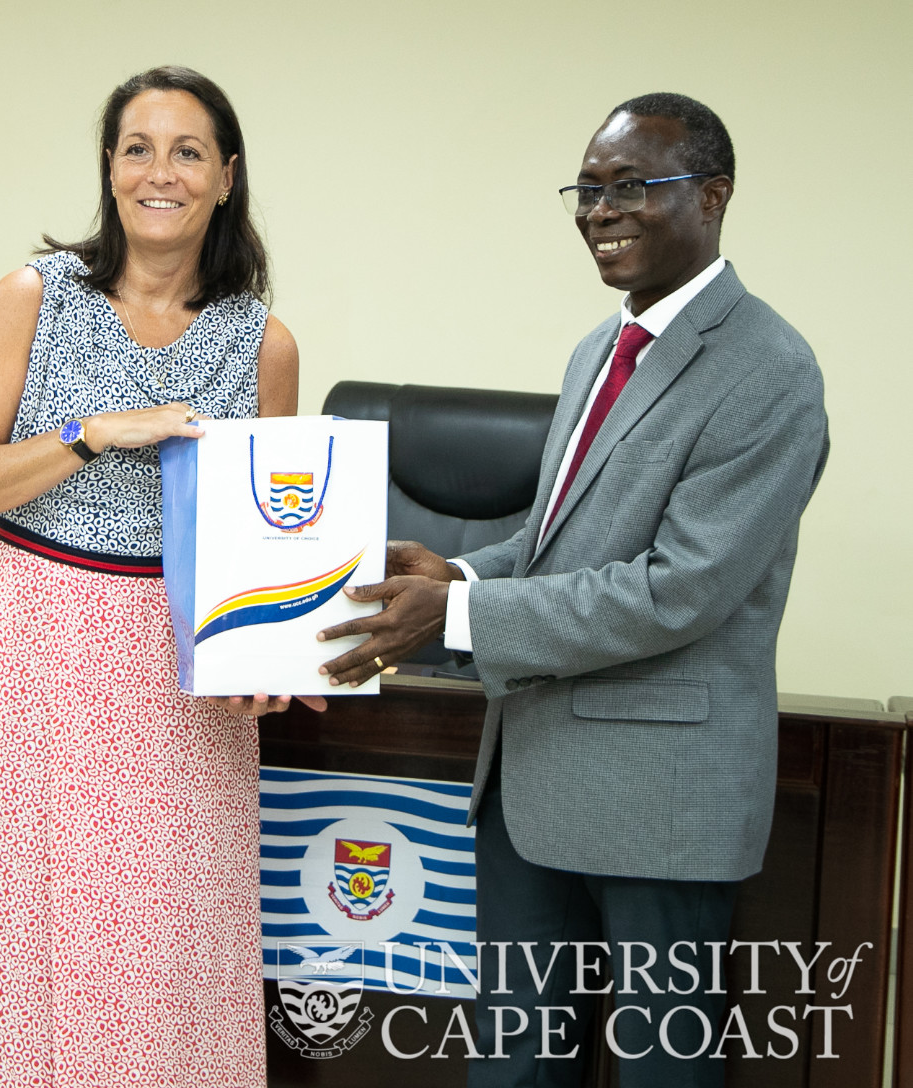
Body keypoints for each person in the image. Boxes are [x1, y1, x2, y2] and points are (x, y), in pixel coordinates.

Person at [318, 93, 828, 1083]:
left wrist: (460, 614)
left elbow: (678, 589)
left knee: (660, 1072)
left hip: (662, 808)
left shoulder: (770, 369)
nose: (601, 211)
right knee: (513, 1066)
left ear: (713, 195)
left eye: (630, 186)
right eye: (587, 191)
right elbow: (562, 544)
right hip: (531, 781)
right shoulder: (599, 349)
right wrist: (459, 570)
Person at [0, 66, 309, 1088]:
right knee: (10, 954)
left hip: (176, 680)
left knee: (158, 964)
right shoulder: (34, 296)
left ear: (227, 176)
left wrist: (273, 653)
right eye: (138, 148)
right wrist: (91, 432)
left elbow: (270, 536)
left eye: (187, 152)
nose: (159, 172)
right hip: (23, 653)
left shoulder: (265, 344)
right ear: (109, 166)